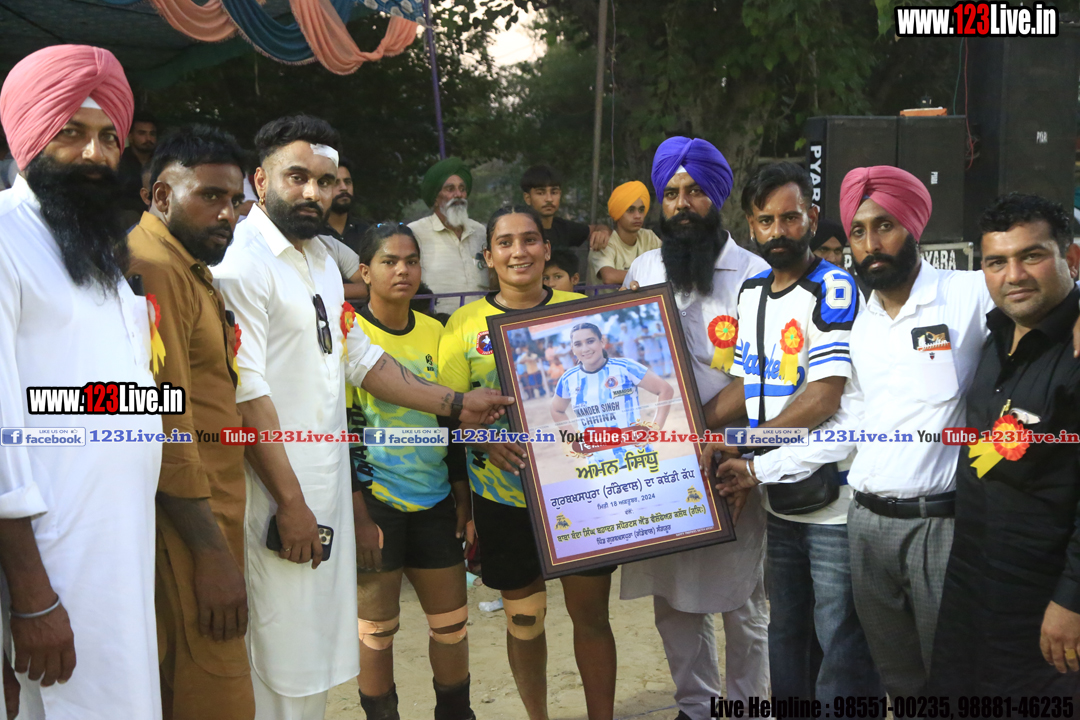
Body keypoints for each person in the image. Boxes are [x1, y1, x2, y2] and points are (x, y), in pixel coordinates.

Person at [713, 165, 1080, 699]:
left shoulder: (966, 294)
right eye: (859, 232)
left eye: (885, 226)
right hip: (865, 528)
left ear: (913, 226)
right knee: (898, 683)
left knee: (951, 680)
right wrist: (758, 468)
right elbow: (849, 425)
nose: (871, 244)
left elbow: (1036, 289)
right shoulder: (861, 323)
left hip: (941, 529)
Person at [213, 115, 513, 720]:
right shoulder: (241, 266)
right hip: (279, 501)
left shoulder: (322, 261)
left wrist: (457, 405)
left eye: (325, 181)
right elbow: (248, 396)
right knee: (277, 656)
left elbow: (363, 360)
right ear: (261, 181)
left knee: (314, 656)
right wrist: (291, 504)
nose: (313, 192)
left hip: (322, 499)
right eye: (297, 177)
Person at [0, 44, 162, 719]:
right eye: (71, 132)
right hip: (50, 564)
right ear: (30, 134)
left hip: (118, 547)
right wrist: (33, 598)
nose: (95, 154)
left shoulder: (95, 247)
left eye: (108, 137)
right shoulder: (5, 238)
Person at [704, 162, 881, 702]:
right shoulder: (752, 292)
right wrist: (689, 425)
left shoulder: (834, 288)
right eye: (766, 221)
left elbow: (824, 396)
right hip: (778, 498)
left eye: (790, 217)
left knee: (839, 640)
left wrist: (747, 446)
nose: (778, 231)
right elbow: (747, 382)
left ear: (813, 218)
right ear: (751, 226)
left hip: (833, 501)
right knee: (786, 635)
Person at [440, 206, 618, 720]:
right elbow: (447, 414)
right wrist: (482, 442)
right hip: (503, 497)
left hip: (582, 492)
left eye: (530, 240)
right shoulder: (462, 325)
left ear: (547, 248)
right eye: (505, 243)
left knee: (591, 617)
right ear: (488, 256)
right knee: (524, 620)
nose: (519, 251)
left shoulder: (581, 313)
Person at [620, 136, 771, 715]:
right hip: (662, 463)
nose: (682, 204)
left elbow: (763, 375)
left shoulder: (755, 274)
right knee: (673, 598)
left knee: (743, 600)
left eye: (695, 192)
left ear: (717, 197)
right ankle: (696, 707)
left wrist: (698, 428)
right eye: (672, 193)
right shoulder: (642, 270)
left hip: (731, 458)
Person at [126, 125, 254, 719]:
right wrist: (209, 555)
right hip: (185, 530)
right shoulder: (155, 266)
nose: (227, 213)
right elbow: (164, 418)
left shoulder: (186, 264)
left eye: (234, 200)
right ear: (161, 196)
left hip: (212, 513)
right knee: (214, 694)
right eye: (209, 196)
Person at [930, 194, 1080, 698]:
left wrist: (1072, 601)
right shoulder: (992, 335)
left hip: (1046, 606)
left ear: (1071, 258)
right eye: (997, 262)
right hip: (971, 590)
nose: (1013, 275)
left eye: (1031, 256)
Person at [349, 223, 477, 720]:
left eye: (411, 261)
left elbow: (451, 421)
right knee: (377, 633)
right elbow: (341, 430)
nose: (402, 270)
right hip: (375, 505)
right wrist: (359, 514)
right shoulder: (350, 335)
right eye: (389, 261)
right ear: (366, 272)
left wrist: (462, 497)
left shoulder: (437, 332)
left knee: (451, 626)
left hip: (435, 502)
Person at [551, 322, 674, 470]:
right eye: (578, 344)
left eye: (590, 341)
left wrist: (654, 430)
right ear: (573, 349)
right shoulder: (568, 379)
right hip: (598, 465)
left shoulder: (625, 367)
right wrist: (573, 441)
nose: (585, 348)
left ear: (602, 341)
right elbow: (556, 410)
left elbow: (665, 390)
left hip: (637, 458)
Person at [408, 157, 489, 314]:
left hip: (483, 322)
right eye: (450, 189)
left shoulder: (480, 231)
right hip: (438, 324)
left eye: (462, 189)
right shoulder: (415, 233)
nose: (458, 194)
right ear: (435, 198)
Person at [520, 164, 612, 251]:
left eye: (554, 192)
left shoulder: (563, 228)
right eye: (541, 193)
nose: (549, 199)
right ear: (527, 198)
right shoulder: (520, 230)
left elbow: (595, 228)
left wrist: (603, 232)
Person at [589, 181, 662, 285]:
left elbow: (669, 261)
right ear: (618, 213)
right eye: (630, 210)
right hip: (610, 297)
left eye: (641, 210)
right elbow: (609, 277)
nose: (638, 216)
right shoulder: (603, 241)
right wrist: (650, 275)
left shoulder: (648, 237)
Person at [118, 109, 158, 223]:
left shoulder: (162, 161)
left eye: (152, 134)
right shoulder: (118, 162)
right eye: (142, 133)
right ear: (130, 137)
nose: (148, 139)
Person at [324, 156, 368, 253]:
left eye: (347, 182)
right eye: (336, 183)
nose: (344, 188)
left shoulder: (366, 233)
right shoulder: (312, 233)